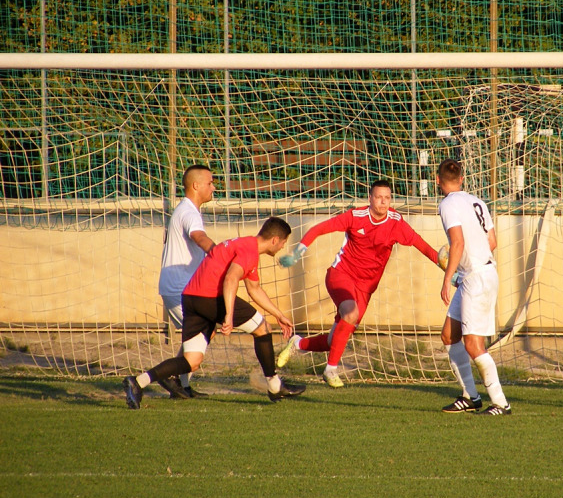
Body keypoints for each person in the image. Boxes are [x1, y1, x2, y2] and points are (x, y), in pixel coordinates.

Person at [123, 217, 305, 409]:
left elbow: (254, 289)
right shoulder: (249, 251)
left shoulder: (244, 245)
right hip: (210, 298)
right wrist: (228, 315)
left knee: (191, 361)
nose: (282, 248)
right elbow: (230, 279)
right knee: (262, 328)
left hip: (191, 298)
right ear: (275, 240)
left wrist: (279, 315)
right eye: (284, 243)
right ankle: (275, 386)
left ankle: (138, 382)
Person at [276, 179, 442, 388]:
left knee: (333, 341)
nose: (383, 202)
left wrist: (447, 269)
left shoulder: (396, 222)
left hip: (365, 289)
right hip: (341, 275)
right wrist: (297, 253)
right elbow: (318, 229)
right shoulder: (356, 217)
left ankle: (297, 343)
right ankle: (330, 370)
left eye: (387, 198)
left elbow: (422, 246)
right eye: (379, 197)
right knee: (351, 313)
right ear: (370, 198)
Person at [436, 159, 511, 416]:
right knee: (449, 335)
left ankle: (501, 403)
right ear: (461, 179)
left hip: (477, 279)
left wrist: (447, 278)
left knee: (473, 344)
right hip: (479, 274)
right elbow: (492, 241)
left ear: (438, 180)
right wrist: (468, 266)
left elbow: (457, 242)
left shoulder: (447, 204)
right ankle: (471, 396)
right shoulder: (476, 200)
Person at [157, 164, 216, 400]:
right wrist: (219, 254)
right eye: (210, 182)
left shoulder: (186, 210)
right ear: (196, 185)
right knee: (203, 333)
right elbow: (198, 236)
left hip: (180, 288)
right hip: (179, 289)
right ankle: (163, 374)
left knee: (199, 334)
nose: (213, 187)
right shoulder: (190, 213)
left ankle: (181, 385)